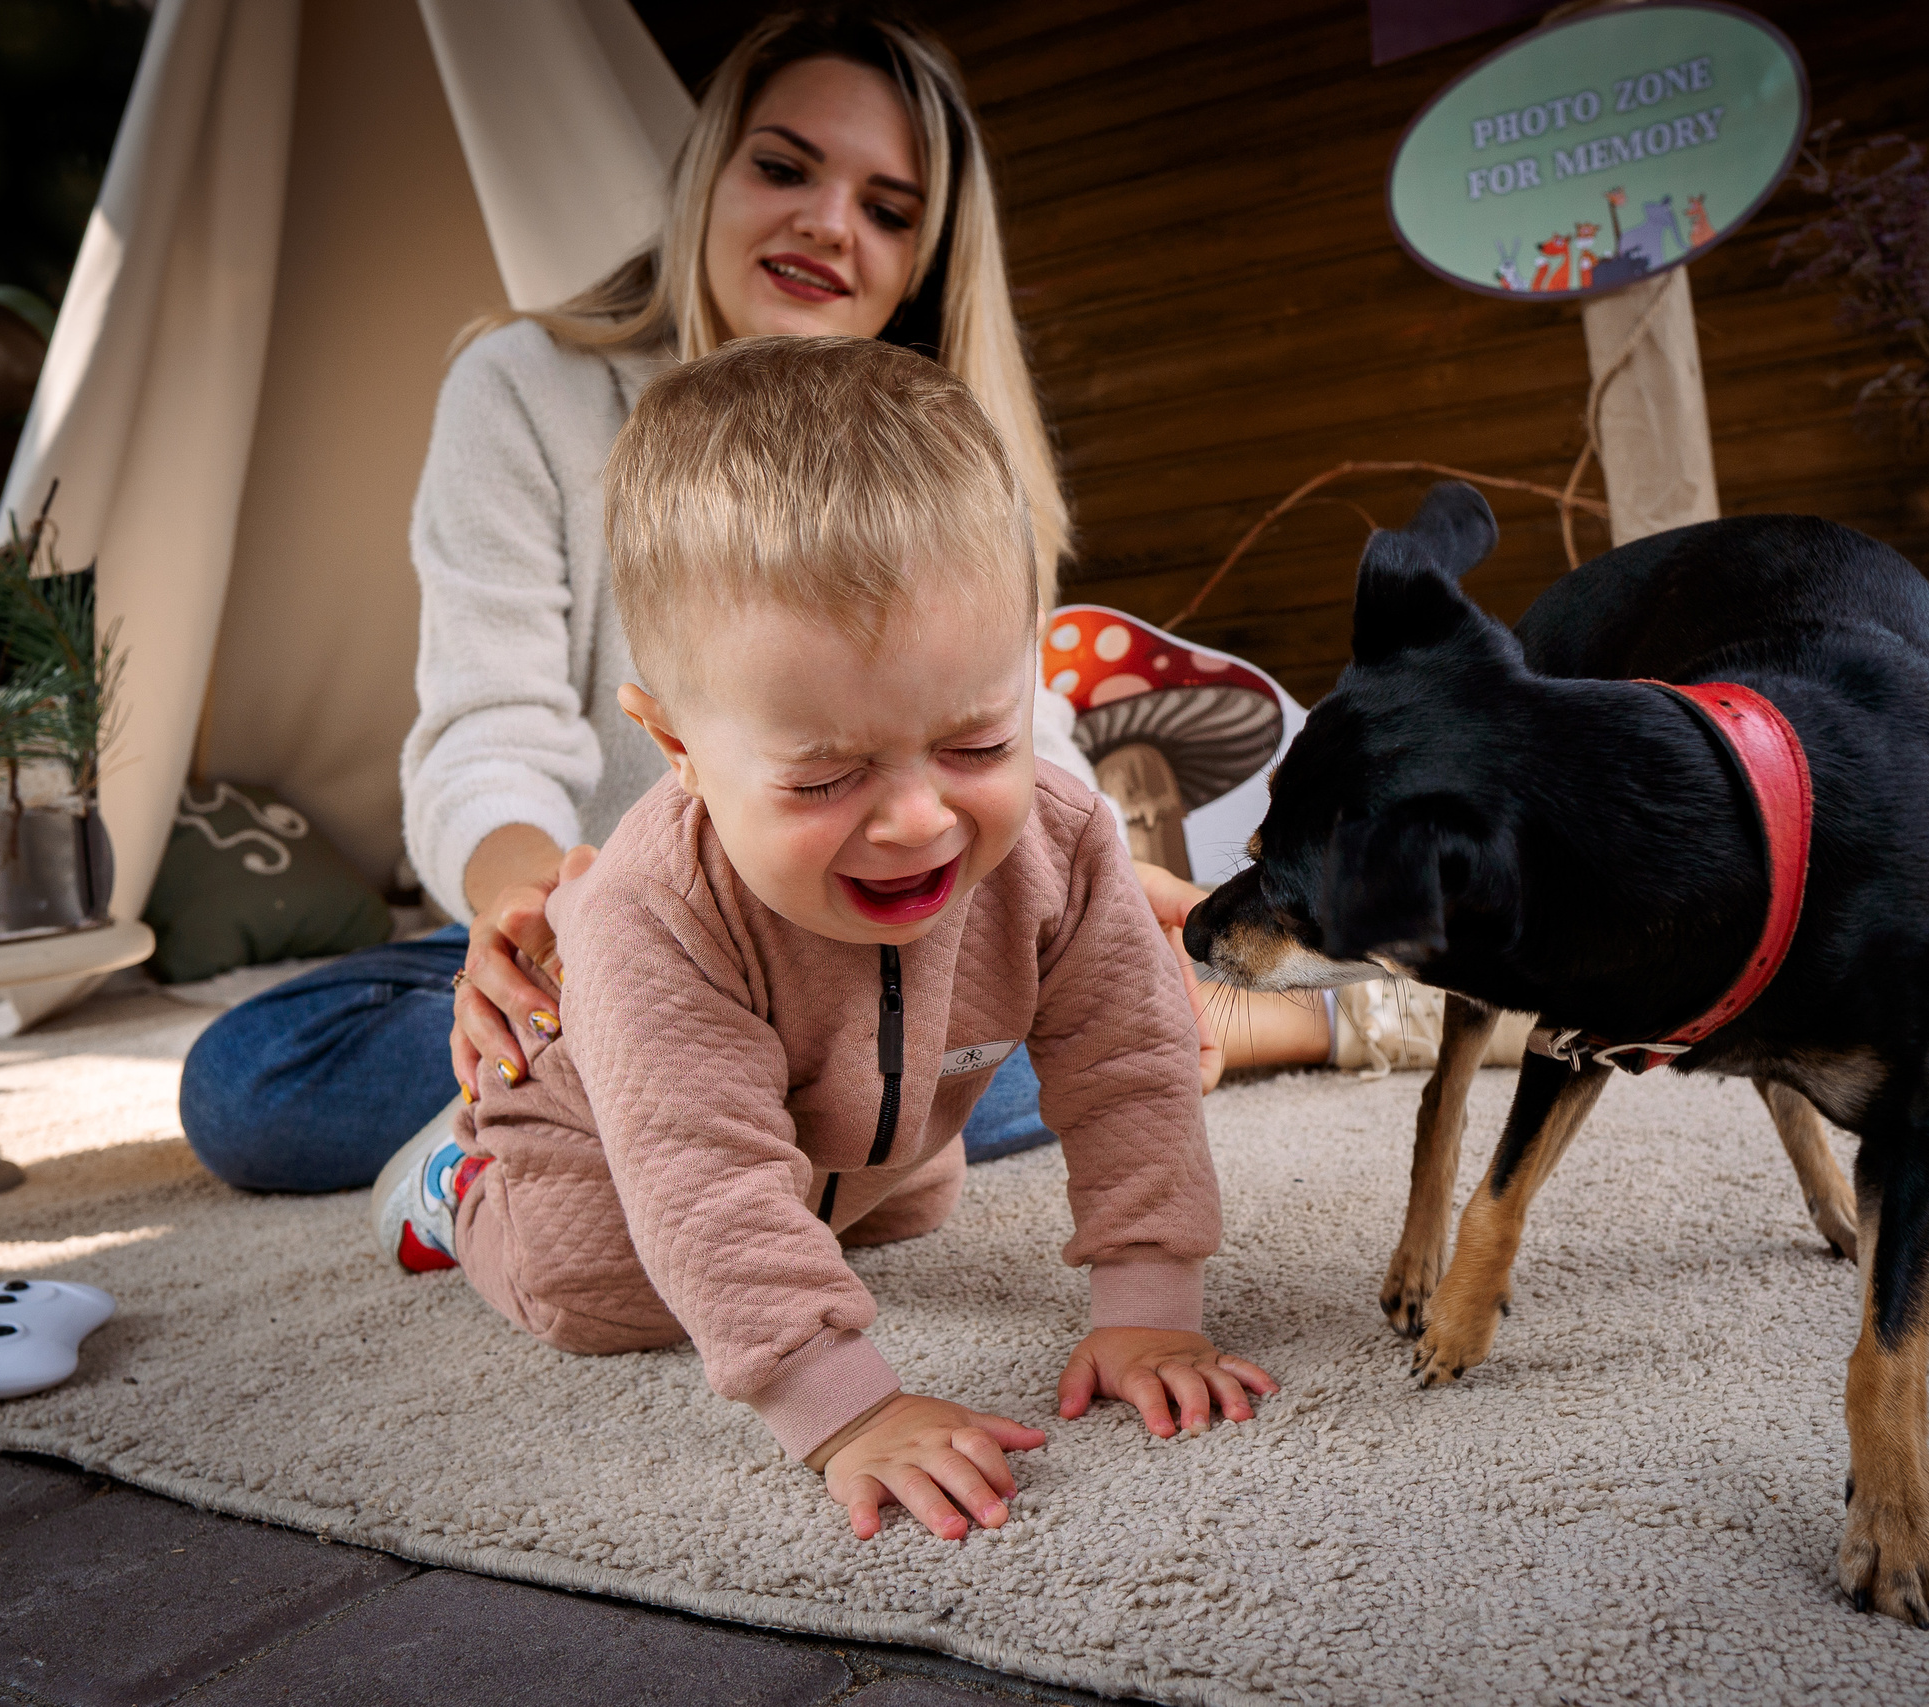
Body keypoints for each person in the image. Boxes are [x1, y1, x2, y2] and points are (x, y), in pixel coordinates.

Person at [179, 7, 1328, 1195]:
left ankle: (1249, 1024)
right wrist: (534, 915)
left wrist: (1101, 911)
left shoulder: (943, 445)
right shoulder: (524, 387)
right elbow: (489, 725)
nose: (829, 223)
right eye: (784, 169)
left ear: (924, 265)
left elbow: (1014, 737)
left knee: (1015, 1017)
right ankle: (782, 1095)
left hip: (883, 932)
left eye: (889, 211)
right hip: (614, 932)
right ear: (704, 179)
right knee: (251, 1079)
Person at [377, 335, 1276, 1539]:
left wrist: (1151, 1305)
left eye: (976, 745)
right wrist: (845, 1411)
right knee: (610, 1294)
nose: (918, 820)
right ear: (679, 747)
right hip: (606, 1151)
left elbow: (1129, 1066)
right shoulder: (652, 910)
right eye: (824, 778)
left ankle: (841, 1180)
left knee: (912, 1204)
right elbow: (704, 1184)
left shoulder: (1062, 841)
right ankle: (458, 1188)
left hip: (863, 1140)